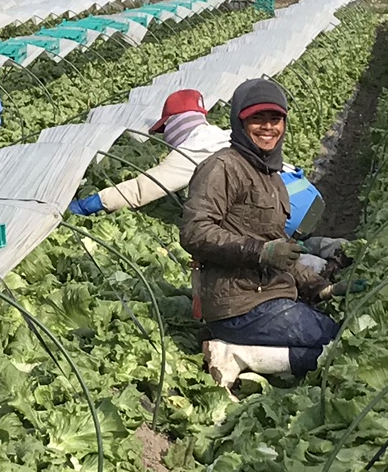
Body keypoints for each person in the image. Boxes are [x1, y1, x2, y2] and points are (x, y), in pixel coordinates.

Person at [181, 78, 341, 389]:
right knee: (335, 343)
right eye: (257, 119)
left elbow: (282, 251)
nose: (268, 127)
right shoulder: (222, 168)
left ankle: (238, 353)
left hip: (268, 296)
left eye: (275, 119)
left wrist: (323, 288)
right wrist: (259, 252)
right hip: (239, 304)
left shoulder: (271, 176)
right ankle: (238, 354)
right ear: (239, 122)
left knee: (334, 339)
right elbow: (195, 231)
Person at [69, 88, 228, 215]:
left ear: (175, 123)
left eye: (165, 128)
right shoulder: (225, 136)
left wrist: (94, 203)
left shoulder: (194, 149)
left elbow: (141, 189)